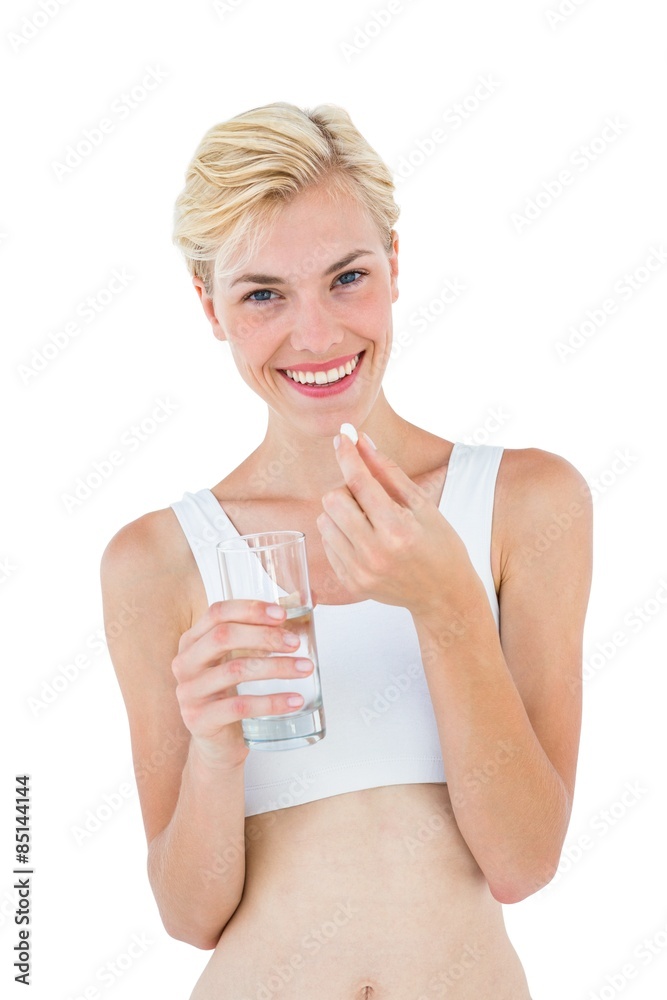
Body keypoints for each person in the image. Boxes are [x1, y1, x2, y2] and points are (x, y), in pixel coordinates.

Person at [100, 101, 593, 999]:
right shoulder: (155, 560)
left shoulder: (527, 504)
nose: (318, 335)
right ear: (209, 306)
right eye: (261, 295)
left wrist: (445, 605)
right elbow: (188, 916)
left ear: (396, 267)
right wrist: (215, 751)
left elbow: (523, 862)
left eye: (347, 277)